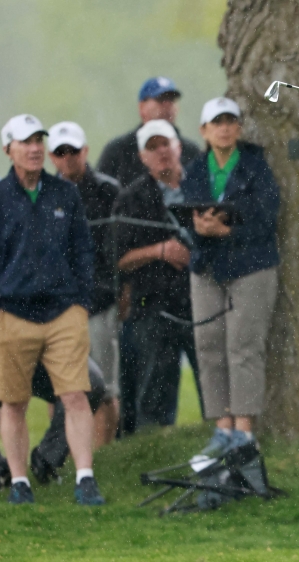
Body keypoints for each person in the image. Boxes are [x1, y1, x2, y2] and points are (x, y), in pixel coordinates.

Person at [0, 114, 103, 505]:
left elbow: (83, 252)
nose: (36, 147)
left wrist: (80, 303)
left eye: (39, 139)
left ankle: (85, 478)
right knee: (14, 401)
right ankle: (20, 482)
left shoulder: (64, 194)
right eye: (26, 141)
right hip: (11, 314)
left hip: (62, 313)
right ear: (9, 149)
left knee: (75, 395)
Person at [181, 97, 280, 455]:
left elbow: (267, 216)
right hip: (207, 268)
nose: (224, 128)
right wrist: (202, 230)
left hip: (251, 266)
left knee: (243, 346)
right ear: (203, 131)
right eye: (216, 122)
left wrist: (227, 233)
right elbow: (184, 217)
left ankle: (243, 430)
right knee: (208, 344)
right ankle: (221, 427)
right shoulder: (194, 169)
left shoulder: (256, 166)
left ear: (238, 128)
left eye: (230, 121)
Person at [112, 120, 200, 428]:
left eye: (165, 144)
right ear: (143, 157)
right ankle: (155, 449)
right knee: (154, 392)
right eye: (152, 147)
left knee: (213, 380)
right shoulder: (131, 199)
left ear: (178, 147)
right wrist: (160, 251)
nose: (161, 152)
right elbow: (119, 259)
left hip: (201, 300)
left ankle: (223, 444)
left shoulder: (200, 185)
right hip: (153, 304)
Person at [47, 121, 121, 448]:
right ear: (52, 157)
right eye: (60, 153)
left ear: (85, 151)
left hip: (99, 302)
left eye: (73, 151)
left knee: (103, 386)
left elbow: (115, 250)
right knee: (57, 387)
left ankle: (103, 452)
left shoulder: (108, 190)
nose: (67, 158)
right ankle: (60, 454)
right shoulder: (45, 195)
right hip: (58, 308)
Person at [98, 76, 202, 187]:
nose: (167, 106)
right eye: (161, 100)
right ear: (142, 107)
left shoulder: (191, 151)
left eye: (171, 100)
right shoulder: (119, 150)